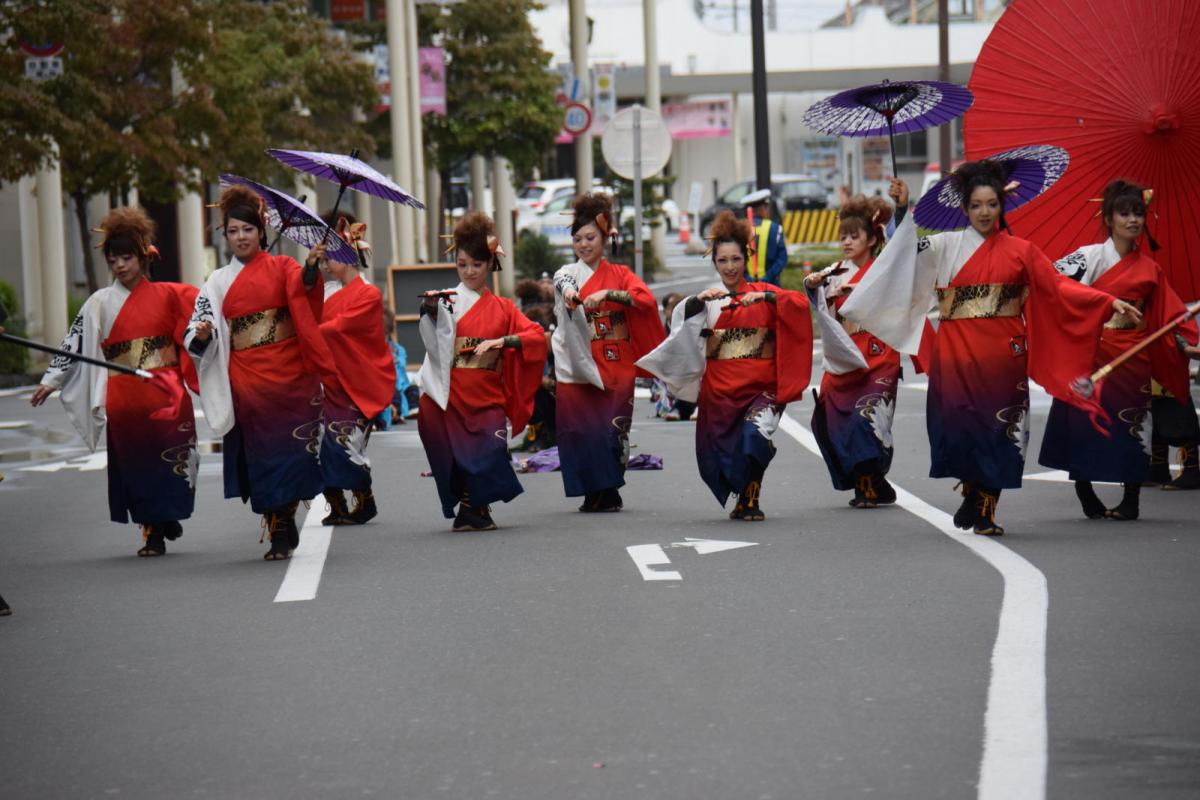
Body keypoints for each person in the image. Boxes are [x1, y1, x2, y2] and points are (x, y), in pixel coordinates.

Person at [840, 161, 1142, 535]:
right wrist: (903, 209)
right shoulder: (943, 246)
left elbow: (1059, 287)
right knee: (958, 428)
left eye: (992, 204)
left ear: (1002, 206)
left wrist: (1105, 301)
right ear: (965, 209)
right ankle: (973, 489)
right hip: (956, 354)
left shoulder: (1022, 251)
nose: (985, 212)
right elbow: (901, 255)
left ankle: (985, 506)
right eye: (977, 205)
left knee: (1000, 430)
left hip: (1005, 355)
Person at [30, 207, 199, 557]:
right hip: (124, 393)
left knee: (170, 459)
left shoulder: (171, 295)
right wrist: (52, 379)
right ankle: (152, 530)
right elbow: (73, 343)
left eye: (127, 257)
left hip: (165, 390)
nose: (120, 265)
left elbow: (200, 322)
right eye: (114, 258)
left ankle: (164, 516)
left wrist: (205, 333)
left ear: (143, 257)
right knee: (136, 463)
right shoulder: (98, 303)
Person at [185, 184, 337, 560]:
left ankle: (283, 516)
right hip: (248, 379)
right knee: (263, 455)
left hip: (290, 373)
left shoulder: (284, 266)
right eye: (233, 231)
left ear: (261, 230)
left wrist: (310, 270)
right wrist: (203, 333)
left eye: (248, 230)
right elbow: (196, 327)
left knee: (292, 452)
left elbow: (303, 295)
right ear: (225, 235)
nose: (241, 237)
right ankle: (279, 525)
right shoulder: (217, 281)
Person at [1038, 181, 1197, 520]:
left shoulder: (1150, 268)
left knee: (1133, 425)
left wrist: (1187, 340)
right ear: (1108, 218)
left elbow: (1170, 313)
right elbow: (1053, 283)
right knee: (1083, 425)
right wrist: (1102, 301)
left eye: (1138, 213)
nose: (1132, 220)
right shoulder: (1088, 256)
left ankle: (1131, 500)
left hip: (1134, 357)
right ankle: (1084, 489)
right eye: (1124, 213)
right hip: (1091, 354)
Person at [638, 210, 812, 519]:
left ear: (746, 258)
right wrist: (696, 304)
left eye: (735, 259)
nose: (730, 267)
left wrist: (766, 301)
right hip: (720, 394)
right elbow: (679, 330)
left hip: (763, 391)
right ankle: (744, 493)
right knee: (723, 454)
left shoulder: (765, 292)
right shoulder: (707, 299)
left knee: (754, 436)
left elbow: (798, 305)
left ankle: (751, 496)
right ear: (714, 262)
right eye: (722, 260)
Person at [417, 212, 547, 531]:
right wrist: (431, 311)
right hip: (453, 390)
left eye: (477, 264)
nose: (470, 271)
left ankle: (476, 507)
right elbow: (435, 339)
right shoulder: (449, 300)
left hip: (487, 391)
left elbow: (537, 336)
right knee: (452, 450)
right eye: (462, 264)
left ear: (490, 263)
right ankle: (472, 506)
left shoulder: (504, 308)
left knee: (490, 448)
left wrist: (503, 341)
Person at [552, 193, 665, 512]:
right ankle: (592, 490)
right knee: (578, 429)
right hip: (578, 360)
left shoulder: (621, 274)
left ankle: (610, 485)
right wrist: (574, 293)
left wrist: (610, 293)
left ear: (605, 237)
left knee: (610, 429)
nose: (584, 244)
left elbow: (645, 300)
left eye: (590, 237)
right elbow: (562, 286)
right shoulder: (566, 273)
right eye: (578, 239)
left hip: (615, 361)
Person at [806, 195, 901, 508]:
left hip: (879, 354)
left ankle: (867, 484)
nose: (846, 242)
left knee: (866, 416)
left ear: (872, 239)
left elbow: (901, 295)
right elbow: (815, 294)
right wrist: (812, 283)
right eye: (843, 236)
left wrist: (861, 291)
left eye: (854, 236)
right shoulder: (835, 271)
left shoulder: (886, 270)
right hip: (846, 356)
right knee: (829, 416)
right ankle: (870, 479)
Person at [316, 214, 396, 525]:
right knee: (318, 443)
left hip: (357, 381)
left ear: (349, 255)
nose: (326, 265)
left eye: (330, 257)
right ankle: (335, 504)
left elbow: (340, 327)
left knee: (344, 441)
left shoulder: (369, 294)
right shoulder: (325, 292)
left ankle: (365, 499)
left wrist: (313, 330)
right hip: (327, 379)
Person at [742, 188, 789, 287]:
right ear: (764, 208)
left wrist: (748, 278)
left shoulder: (740, 229)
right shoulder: (775, 229)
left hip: (747, 287)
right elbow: (782, 258)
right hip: (771, 287)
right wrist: (766, 278)